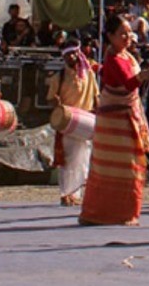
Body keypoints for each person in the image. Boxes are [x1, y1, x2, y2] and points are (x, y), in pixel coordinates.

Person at [78, 16, 149, 226]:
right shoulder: (113, 59)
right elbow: (126, 85)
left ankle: (123, 211)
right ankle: (104, 212)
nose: (126, 37)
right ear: (110, 36)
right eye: (122, 33)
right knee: (117, 166)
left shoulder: (128, 56)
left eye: (128, 33)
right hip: (115, 121)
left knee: (129, 165)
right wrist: (142, 77)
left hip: (127, 114)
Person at [46, 41, 98, 206]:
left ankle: (76, 193)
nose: (71, 57)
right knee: (67, 160)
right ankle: (65, 193)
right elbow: (49, 100)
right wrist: (55, 102)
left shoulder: (89, 74)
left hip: (86, 121)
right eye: (68, 54)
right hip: (68, 122)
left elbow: (96, 97)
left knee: (83, 159)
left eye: (74, 53)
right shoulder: (58, 77)